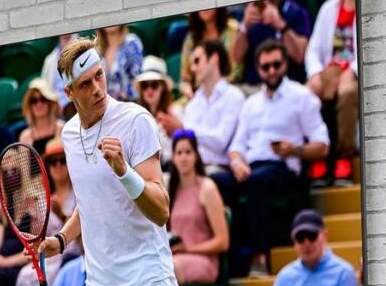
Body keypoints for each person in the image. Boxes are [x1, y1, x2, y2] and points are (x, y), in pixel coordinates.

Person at [40, 38, 178, 286]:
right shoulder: (69, 135)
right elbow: (91, 199)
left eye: (99, 76)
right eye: (85, 84)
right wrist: (61, 240)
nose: (97, 89)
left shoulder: (136, 120)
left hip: (149, 284)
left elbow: (161, 211)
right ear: (69, 93)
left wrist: (124, 172)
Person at [230, 36, 328, 265]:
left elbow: (323, 145)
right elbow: (236, 146)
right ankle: (229, 262)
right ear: (258, 69)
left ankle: (259, 257)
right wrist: (237, 164)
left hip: (283, 167)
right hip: (251, 167)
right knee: (215, 182)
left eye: (277, 64)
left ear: (285, 64)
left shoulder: (301, 96)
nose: (272, 71)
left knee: (257, 182)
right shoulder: (250, 103)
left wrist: (294, 150)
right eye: (266, 66)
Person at [164, 128, 231, 286]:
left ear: (196, 156)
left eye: (188, 152)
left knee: (165, 269)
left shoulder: (207, 188)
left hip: (203, 261)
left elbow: (223, 242)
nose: (183, 157)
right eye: (179, 153)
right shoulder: (171, 190)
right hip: (176, 258)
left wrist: (189, 248)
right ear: (173, 158)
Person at [305, 0, 360, 157]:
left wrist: (352, 71)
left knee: (347, 93)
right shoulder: (329, 7)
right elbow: (313, 49)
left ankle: (345, 155)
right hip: (330, 70)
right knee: (305, 93)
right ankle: (315, 156)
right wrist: (314, 74)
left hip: (357, 72)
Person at [178, 39, 241, 170]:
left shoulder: (233, 96)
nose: (193, 68)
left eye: (197, 61)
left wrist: (185, 130)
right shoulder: (193, 103)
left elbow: (221, 142)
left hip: (219, 168)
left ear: (213, 58)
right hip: (192, 168)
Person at [270, 207, 361, 286]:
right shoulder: (284, 277)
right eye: (300, 237)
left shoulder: (343, 273)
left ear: (324, 236)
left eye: (311, 236)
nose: (307, 243)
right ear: (294, 241)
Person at [135, 54, 181, 144]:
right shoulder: (137, 117)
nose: (149, 90)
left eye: (154, 85)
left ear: (163, 87)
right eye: (145, 85)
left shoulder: (176, 112)